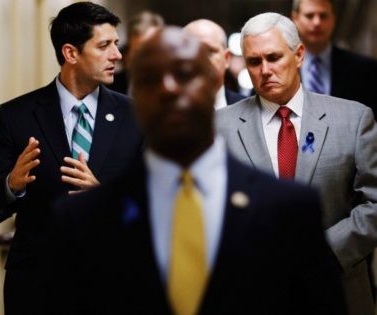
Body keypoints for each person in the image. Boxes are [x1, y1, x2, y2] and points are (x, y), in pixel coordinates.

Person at [48, 26, 346, 315]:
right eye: (151, 79)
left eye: (185, 73)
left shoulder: (288, 209)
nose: (168, 88)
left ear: (213, 83)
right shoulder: (84, 219)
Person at [0, 2, 142, 314]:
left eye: (115, 44)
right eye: (104, 46)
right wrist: (11, 185)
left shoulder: (135, 117)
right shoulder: (15, 116)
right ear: (71, 53)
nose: (116, 55)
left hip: (111, 287)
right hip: (36, 290)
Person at [216, 12, 377, 315]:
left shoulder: (353, 119)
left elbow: (374, 203)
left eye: (274, 57)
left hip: (337, 288)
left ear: (299, 54)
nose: (265, 70)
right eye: (254, 61)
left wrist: (318, 251)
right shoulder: (218, 127)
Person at [291, 0, 377, 117]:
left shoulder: (366, 70)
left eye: (323, 16)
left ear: (333, 20)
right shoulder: (280, 67)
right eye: (309, 16)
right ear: (295, 18)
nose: (317, 22)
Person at [184, 19, 245, 109]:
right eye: (194, 51)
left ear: (227, 58)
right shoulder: (165, 111)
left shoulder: (251, 109)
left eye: (210, 51)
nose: (202, 59)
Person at [109, 10, 165, 94]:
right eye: (139, 51)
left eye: (151, 50)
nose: (147, 58)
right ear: (129, 51)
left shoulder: (173, 86)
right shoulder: (111, 86)